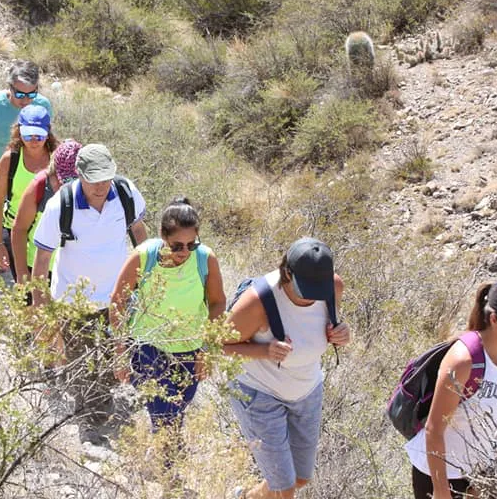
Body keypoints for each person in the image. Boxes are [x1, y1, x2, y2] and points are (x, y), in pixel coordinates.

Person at [30, 143, 147, 444]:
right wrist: (42, 309)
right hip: (73, 301)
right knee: (81, 360)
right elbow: (42, 260)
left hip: (115, 300)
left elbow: (140, 235)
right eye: (94, 179)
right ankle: (89, 427)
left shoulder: (124, 194)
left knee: (110, 358)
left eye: (106, 178)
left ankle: (98, 407)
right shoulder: (61, 205)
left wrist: (147, 279)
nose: (101, 186)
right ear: (79, 175)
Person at [224, 237, 351, 499]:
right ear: (287, 273)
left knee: (301, 477)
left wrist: (341, 332)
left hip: (307, 390)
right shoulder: (258, 301)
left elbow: (324, 325)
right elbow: (217, 346)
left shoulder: (332, 287)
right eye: (306, 292)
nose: (311, 300)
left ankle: (246, 497)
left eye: (318, 291)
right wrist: (264, 350)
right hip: (258, 393)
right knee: (284, 489)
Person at [109, 197, 226, 435]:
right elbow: (117, 302)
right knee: (164, 415)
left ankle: (162, 457)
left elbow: (217, 302)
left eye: (191, 244)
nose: (184, 252)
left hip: (190, 348)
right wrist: (120, 351)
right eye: (177, 246)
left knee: (177, 410)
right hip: (148, 347)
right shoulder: (143, 257)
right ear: (163, 236)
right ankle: (168, 464)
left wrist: (207, 348)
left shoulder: (205, 258)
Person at [405, 278, 497, 499]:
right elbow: (435, 429)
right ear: (494, 319)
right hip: (442, 474)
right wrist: (441, 491)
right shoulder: (464, 360)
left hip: (485, 469)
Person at [0, 61, 52, 303]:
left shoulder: (43, 107)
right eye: (19, 93)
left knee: (27, 244)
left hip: (25, 187)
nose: (25, 99)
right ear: (9, 87)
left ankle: (25, 290)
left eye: (31, 93)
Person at [0, 104, 57, 285]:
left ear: (48, 132)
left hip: (48, 232)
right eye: (28, 134)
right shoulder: (10, 160)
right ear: (19, 132)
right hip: (14, 231)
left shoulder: (57, 160)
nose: (34, 140)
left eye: (39, 135)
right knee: (25, 285)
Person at [10, 139, 82, 285]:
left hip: (71, 273)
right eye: (64, 179)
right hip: (37, 268)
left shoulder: (89, 188)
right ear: (55, 170)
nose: (68, 187)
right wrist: (22, 273)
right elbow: (19, 229)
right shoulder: (39, 185)